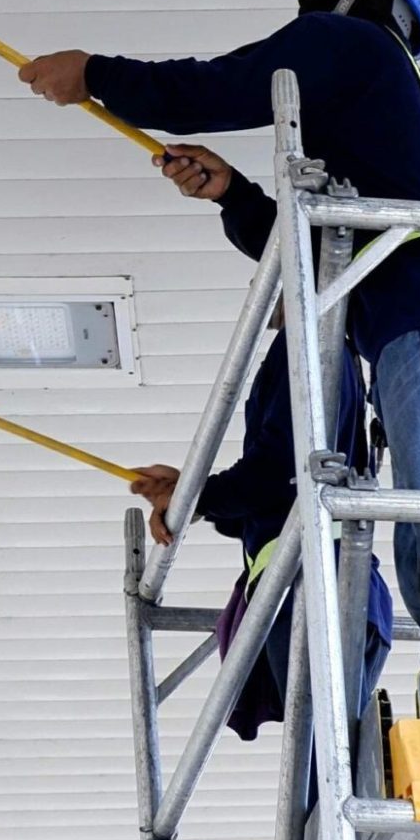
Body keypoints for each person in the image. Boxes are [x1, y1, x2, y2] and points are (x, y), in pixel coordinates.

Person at [19, 0, 420, 670]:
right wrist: (233, 194)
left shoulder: (355, 45)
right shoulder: (391, 115)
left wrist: (96, 74)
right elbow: (324, 248)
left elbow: (225, 84)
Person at [129, 317, 393, 739]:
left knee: (322, 764)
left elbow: (277, 472)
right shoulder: (322, 351)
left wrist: (198, 496)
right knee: (327, 763)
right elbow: (278, 492)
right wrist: (194, 496)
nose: (257, 282)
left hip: (310, 582)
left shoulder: (306, 343)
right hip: (325, 582)